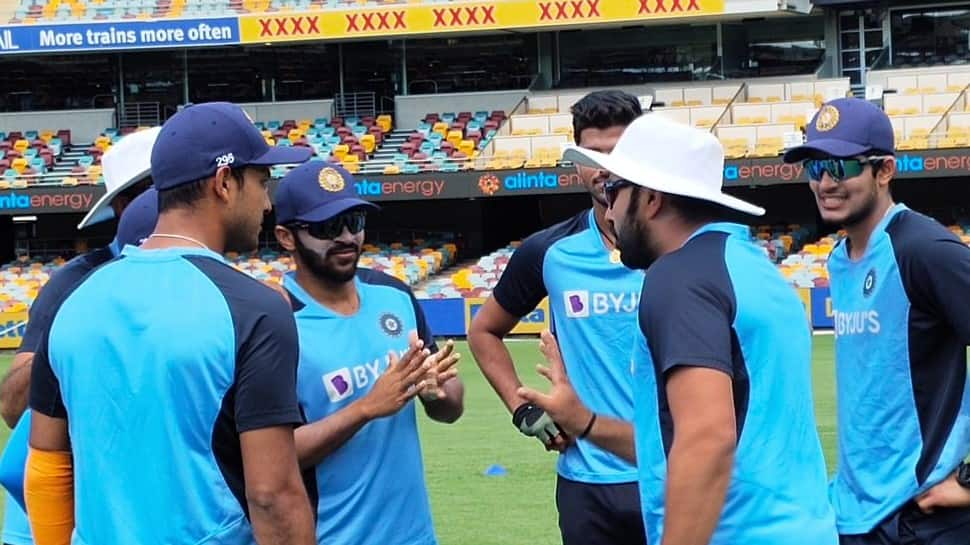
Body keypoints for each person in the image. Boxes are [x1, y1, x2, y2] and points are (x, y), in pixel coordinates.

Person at [527, 113, 837, 545]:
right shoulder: (753, 268)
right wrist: (585, 421)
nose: (609, 210)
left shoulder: (679, 278)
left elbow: (707, 440)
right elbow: (686, 443)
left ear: (651, 199)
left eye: (616, 190)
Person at [26, 102, 316, 545]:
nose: (268, 202)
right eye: (261, 182)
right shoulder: (253, 308)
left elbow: (47, 463)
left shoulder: (74, 300)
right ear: (224, 183)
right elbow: (272, 495)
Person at [783, 97, 970, 545]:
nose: (825, 182)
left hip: (922, 517)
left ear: (884, 170)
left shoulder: (924, 251)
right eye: (815, 168)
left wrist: (967, 482)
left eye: (842, 167)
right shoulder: (838, 257)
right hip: (854, 514)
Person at [468, 90, 647, 545]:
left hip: (671, 473)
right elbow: (485, 331)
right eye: (593, 154)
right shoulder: (551, 252)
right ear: (576, 161)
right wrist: (522, 407)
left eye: (620, 150)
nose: (606, 166)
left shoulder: (676, 246)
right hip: (586, 484)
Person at [272, 162, 463, 545]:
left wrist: (437, 393)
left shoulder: (394, 295)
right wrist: (366, 407)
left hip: (416, 536)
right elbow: (272, 460)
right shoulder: (274, 321)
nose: (347, 237)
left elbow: (451, 407)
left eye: (354, 221)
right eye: (327, 227)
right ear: (286, 237)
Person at [0, 127, 160, 545]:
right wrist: (77, 337)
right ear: (126, 204)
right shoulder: (77, 281)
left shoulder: (208, 278)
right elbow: (15, 406)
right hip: (65, 518)